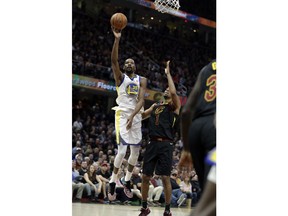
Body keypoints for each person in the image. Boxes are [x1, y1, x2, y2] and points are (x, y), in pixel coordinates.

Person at [108, 27, 147, 201]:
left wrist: (134, 116)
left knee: (136, 152)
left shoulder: (142, 80)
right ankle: (112, 180)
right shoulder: (120, 78)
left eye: (132, 62)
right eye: (127, 62)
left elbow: (141, 100)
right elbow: (114, 61)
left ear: (135, 66)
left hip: (135, 115)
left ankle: (127, 179)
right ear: (124, 66)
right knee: (122, 150)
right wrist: (117, 40)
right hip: (122, 114)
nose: (129, 63)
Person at [139, 60, 181, 216]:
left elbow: (175, 92)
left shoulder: (174, 106)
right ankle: (144, 208)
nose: (166, 89)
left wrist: (168, 74)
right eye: (166, 88)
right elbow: (143, 115)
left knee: (164, 177)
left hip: (166, 144)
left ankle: (168, 210)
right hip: (152, 143)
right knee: (145, 176)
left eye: (168, 89)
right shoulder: (156, 105)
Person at [178, 60, 216, 190]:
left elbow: (186, 111)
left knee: (206, 191)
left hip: (196, 129)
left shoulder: (207, 69)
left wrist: (187, 149)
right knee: (213, 199)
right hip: (214, 128)